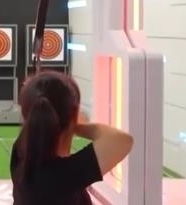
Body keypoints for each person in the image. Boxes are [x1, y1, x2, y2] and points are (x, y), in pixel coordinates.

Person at [10, 70, 134, 205]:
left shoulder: (20, 152)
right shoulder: (65, 176)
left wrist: (69, 121)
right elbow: (122, 140)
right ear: (74, 116)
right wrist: (76, 125)